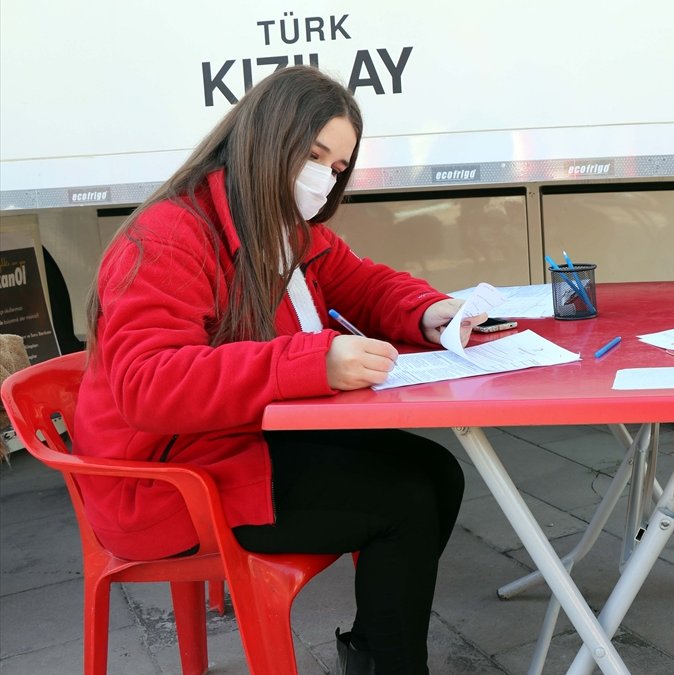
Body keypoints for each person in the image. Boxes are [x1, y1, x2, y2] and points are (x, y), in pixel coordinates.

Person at [74, 65, 479, 675]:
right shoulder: (168, 237)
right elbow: (148, 384)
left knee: (437, 473)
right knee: (406, 502)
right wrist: (312, 361)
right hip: (168, 482)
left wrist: (427, 311)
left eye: (338, 167)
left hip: (232, 446)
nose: (325, 177)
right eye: (315, 155)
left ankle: (373, 654)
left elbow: (360, 282)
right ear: (267, 138)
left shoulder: (281, 227)